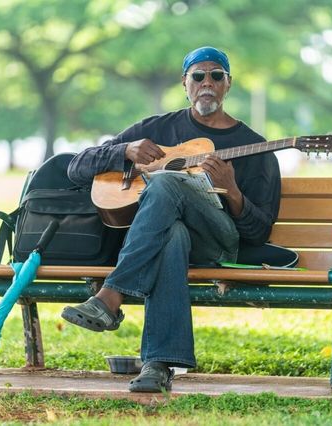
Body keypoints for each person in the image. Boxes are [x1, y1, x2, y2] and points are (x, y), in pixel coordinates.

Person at [62, 46, 281, 392]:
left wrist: (232, 191)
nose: (206, 82)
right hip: (165, 242)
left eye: (216, 75)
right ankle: (157, 366)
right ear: (185, 82)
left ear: (228, 84)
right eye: (198, 76)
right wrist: (124, 151)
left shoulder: (253, 146)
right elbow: (76, 167)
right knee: (172, 236)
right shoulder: (157, 129)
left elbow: (258, 232)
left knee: (166, 182)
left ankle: (110, 296)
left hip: (218, 244)